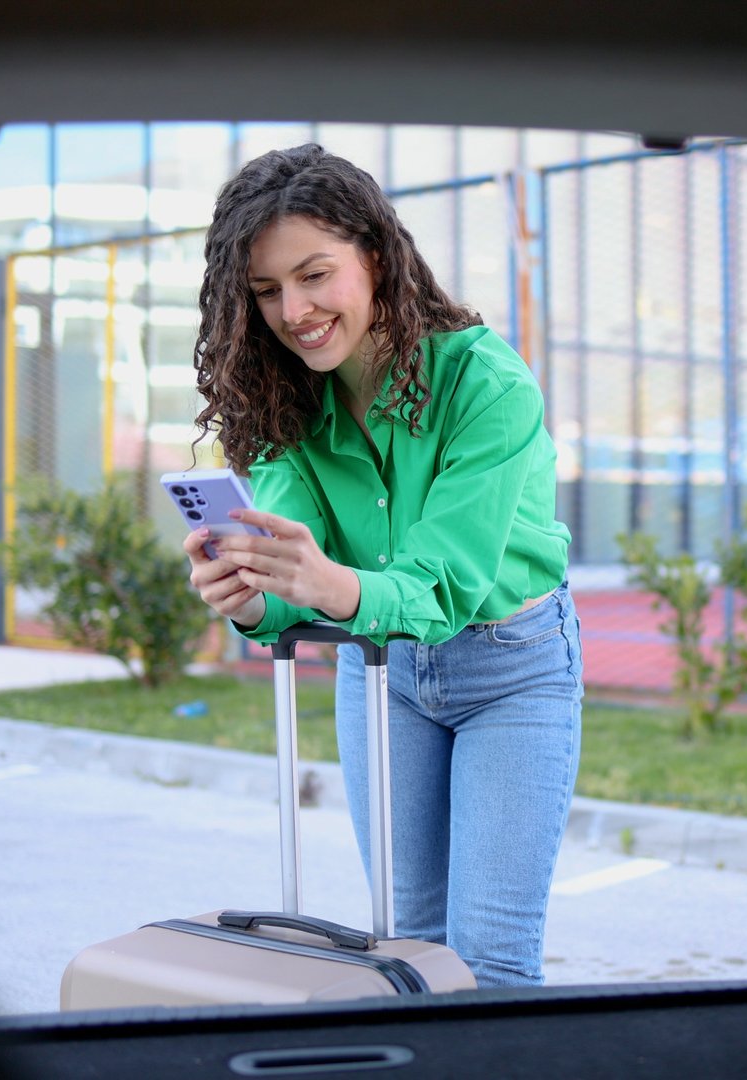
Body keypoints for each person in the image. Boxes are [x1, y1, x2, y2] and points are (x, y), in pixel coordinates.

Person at [181, 144, 583, 989]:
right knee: (405, 951)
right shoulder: (289, 400)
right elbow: (300, 572)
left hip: (511, 666)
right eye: (264, 292)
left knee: (493, 963)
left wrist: (330, 584)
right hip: (383, 669)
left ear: (375, 253)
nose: (293, 310)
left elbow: (443, 584)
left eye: (313, 275)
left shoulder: (487, 385)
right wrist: (254, 598)